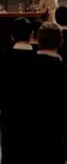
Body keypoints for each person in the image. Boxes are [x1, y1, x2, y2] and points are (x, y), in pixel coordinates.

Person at [33, 22, 67, 164]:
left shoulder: (23, 66)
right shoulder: (65, 72)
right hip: (53, 136)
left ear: (37, 40)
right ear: (61, 42)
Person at [0, 18, 37, 163]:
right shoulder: (40, 58)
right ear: (32, 34)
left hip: (9, 113)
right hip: (34, 115)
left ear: (11, 36)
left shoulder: (3, 58)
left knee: (10, 151)